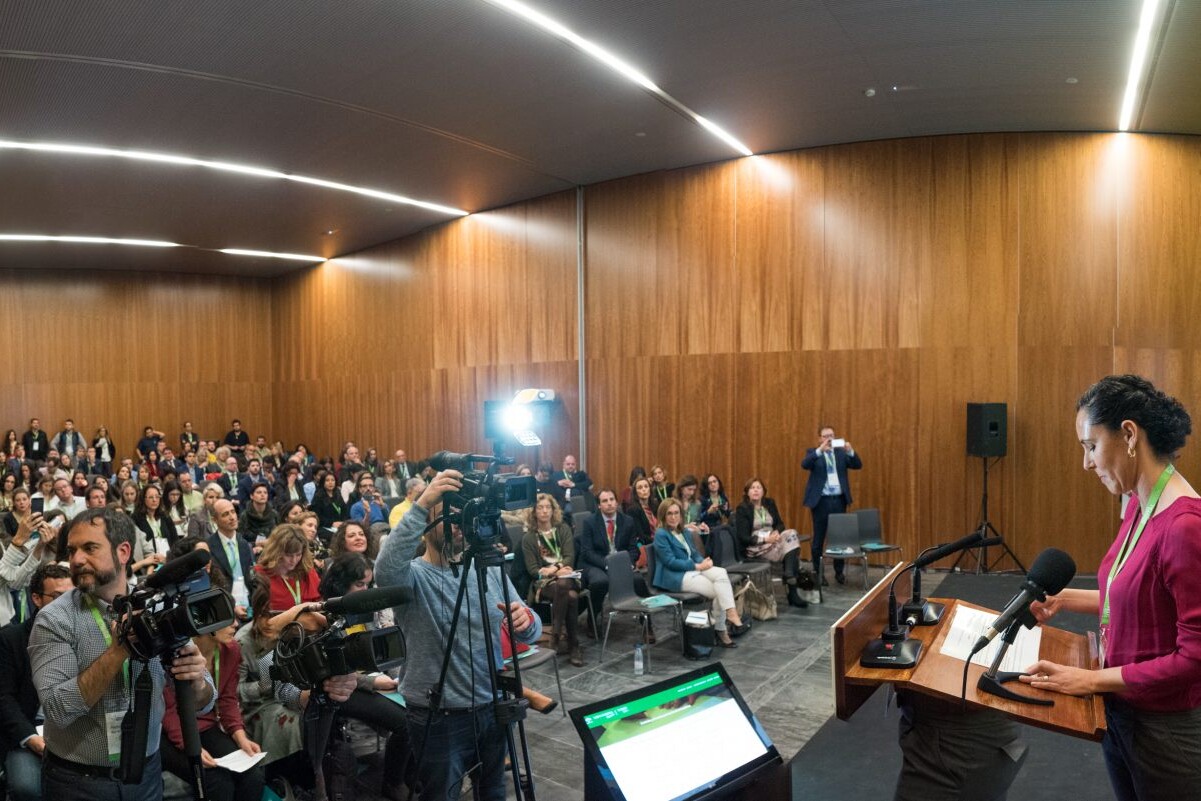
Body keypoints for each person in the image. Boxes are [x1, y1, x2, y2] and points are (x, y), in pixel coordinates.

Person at [1017, 375, 1201, 800]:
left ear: (1129, 435)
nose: (1086, 463)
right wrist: (1063, 598)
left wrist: (1091, 680)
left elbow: (1194, 658)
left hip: (1165, 732)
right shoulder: (1139, 502)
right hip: (1123, 711)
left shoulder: (1184, 526)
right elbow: (1136, 599)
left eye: (1090, 446)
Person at [375, 469, 541, 801]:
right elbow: (385, 570)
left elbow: (530, 624)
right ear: (427, 524)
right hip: (439, 716)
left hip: (491, 706)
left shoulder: (486, 568)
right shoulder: (413, 578)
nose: (455, 524)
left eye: (461, 517)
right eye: (446, 515)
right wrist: (423, 503)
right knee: (440, 795)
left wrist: (528, 621)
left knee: (493, 792)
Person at [29, 507, 214, 801]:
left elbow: (204, 703)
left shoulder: (157, 606)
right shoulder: (54, 619)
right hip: (78, 782)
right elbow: (57, 709)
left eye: (89, 548)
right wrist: (121, 649)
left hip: (146, 775)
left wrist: (197, 681)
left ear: (124, 551)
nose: (76, 560)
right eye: (72, 550)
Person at [317, 553, 412, 801]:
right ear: (341, 585)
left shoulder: (366, 611)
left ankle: (408, 776)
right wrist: (373, 682)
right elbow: (334, 669)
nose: (366, 591)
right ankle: (393, 781)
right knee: (406, 722)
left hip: (370, 679)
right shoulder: (325, 616)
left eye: (369, 585)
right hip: (339, 688)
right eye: (360, 585)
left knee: (418, 711)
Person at [0, 562, 73, 801]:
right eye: (58, 597)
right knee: (27, 787)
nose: (67, 605)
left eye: (73, 597)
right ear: (36, 598)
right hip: (30, 730)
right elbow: (4, 698)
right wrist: (31, 739)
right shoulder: (10, 639)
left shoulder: (82, 634)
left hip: (73, 728)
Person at [651, 498, 748, 648]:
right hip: (675, 576)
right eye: (669, 513)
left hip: (692, 569)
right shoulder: (661, 534)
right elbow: (670, 562)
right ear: (663, 516)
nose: (673, 517)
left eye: (676, 513)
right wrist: (698, 566)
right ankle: (721, 629)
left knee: (721, 573)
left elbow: (694, 553)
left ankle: (730, 613)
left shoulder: (684, 531)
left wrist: (704, 562)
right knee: (719, 591)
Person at [521, 493, 583, 666]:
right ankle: (573, 645)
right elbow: (533, 571)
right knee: (570, 596)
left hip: (568, 576)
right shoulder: (528, 538)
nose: (544, 511)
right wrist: (557, 572)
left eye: (548, 507)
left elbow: (570, 556)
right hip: (545, 583)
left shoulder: (563, 529)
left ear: (553, 510)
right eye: (540, 508)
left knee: (564, 583)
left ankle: (555, 636)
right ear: (534, 512)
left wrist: (554, 569)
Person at [802, 425, 863, 585]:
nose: (829, 438)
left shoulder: (841, 453)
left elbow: (857, 464)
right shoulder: (813, 453)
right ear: (819, 438)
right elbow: (805, 464)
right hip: (821, 501)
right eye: (825, 435)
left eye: (832, 435)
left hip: (839, 499)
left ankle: (839, 572)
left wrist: (850, 450)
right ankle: (819, 572)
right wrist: (820, 450)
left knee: (839, 538)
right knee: (819, 539)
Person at [734, 478, 808, 608]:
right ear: (747, 492)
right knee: (790, 552)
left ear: (763, 491)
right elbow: (743, 537)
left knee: (791, 533)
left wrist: (776, 533)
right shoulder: (743, 508)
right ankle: (792, 588)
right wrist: (765, 539)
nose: (756, 490)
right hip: (757, 546)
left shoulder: (769, 503)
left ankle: (789, 574)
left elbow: (780, 524)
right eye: (752, 488)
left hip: (774, 540)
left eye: (758, 487)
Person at [577, 487, 641, 629]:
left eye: (612, 499)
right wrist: (607, 564)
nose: (609, 503)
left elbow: (633, 549)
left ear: (617, 502)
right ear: (599, 505)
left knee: (638, 580)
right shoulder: (590, 522)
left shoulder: (628, 521)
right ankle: (592, 620)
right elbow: (587, 552)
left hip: (620, 563)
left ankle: (647, 624)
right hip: (597, 563)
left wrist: (628, 563)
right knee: (600, 582)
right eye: (605, 501)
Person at [254, 524, 321, 613]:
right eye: (289, 555)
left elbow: (320, 603)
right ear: (276, 552)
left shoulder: (308, 571)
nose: (294, 560)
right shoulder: (261, 574)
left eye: (298, 555)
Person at [208, 499, 254, 619]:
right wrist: (231, 606)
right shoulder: (208, 546)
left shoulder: (244, 544)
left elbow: (252, 576)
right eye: (225, 514)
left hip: (249, 604)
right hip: (225, 606)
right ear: (215, 520)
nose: (232, 517)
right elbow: (212, 584)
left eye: (233, 512)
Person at [130, 484, 179, 576]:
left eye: (157, 497)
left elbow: (175, 540)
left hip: (168, 559)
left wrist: (169, 558)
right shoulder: (136, 518)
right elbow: (139, 546)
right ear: (143, 499)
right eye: (151, 497)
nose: (154, 500)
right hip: (148, 562)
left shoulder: (165, 516)